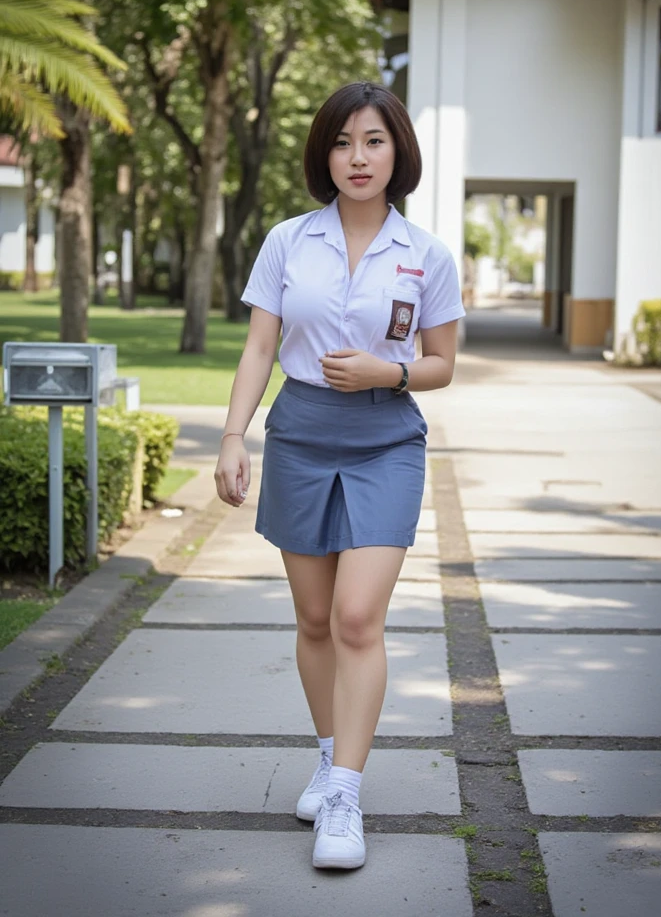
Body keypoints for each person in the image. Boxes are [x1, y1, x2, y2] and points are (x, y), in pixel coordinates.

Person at [214, 81, 464, 870]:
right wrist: (232, 436)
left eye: (374, 141)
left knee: (359, 618)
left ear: (399, 153)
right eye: (343, 142)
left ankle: (347, 796)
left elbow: (442, 365)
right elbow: (261, 347)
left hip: (387, 440)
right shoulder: (289, 241)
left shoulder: (426, 256)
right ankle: (329, 756)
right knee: (315, 619)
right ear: (325, 154)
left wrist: (384, 374)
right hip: (301, 434)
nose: (358, 157)